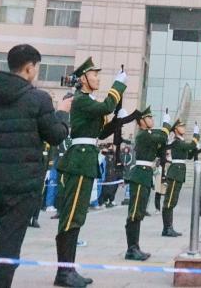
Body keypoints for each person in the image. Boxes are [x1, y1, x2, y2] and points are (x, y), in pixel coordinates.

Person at [0, 44, 70, 288]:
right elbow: (55, 136)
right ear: (29, 68)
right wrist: (62, 114)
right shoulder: (38, 99)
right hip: (21, 190)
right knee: (7, 251)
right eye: (36, 68)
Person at [53, 56, 124, 287]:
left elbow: (100, 133)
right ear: (83, 79)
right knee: (71, 216)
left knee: (77, 217)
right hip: (78, 160)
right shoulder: (80, 99)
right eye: (94, 74)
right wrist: (119, 85)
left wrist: (117, 121)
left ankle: (68, 270)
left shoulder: (87, 101)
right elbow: (106, 106)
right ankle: (64, 272)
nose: (98, 78)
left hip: (85, 159)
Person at [124, 106, 169, 259]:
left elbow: (161, 143)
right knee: (135, 212)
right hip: (139, 175)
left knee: (139, 212)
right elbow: (162, 138)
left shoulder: (149, 134)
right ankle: (131, 249)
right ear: (141, 121)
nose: (152, 120)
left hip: (145, 175)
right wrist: (166, 126)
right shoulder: (143, 135)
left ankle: (135, 247)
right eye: (149, 117)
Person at [161, 118, 201, 237]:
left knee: (172, 201)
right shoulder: (176, 141)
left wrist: (197, 148)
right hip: (175, 173)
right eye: (181, 127)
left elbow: (189, 155)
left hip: (179, 173)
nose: (183, 128)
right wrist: (196, 135)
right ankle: (167, 228)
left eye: (184, 126)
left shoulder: (181, 141)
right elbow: (191, 145)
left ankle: (169, 227)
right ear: (175, 129)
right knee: (169, 201)